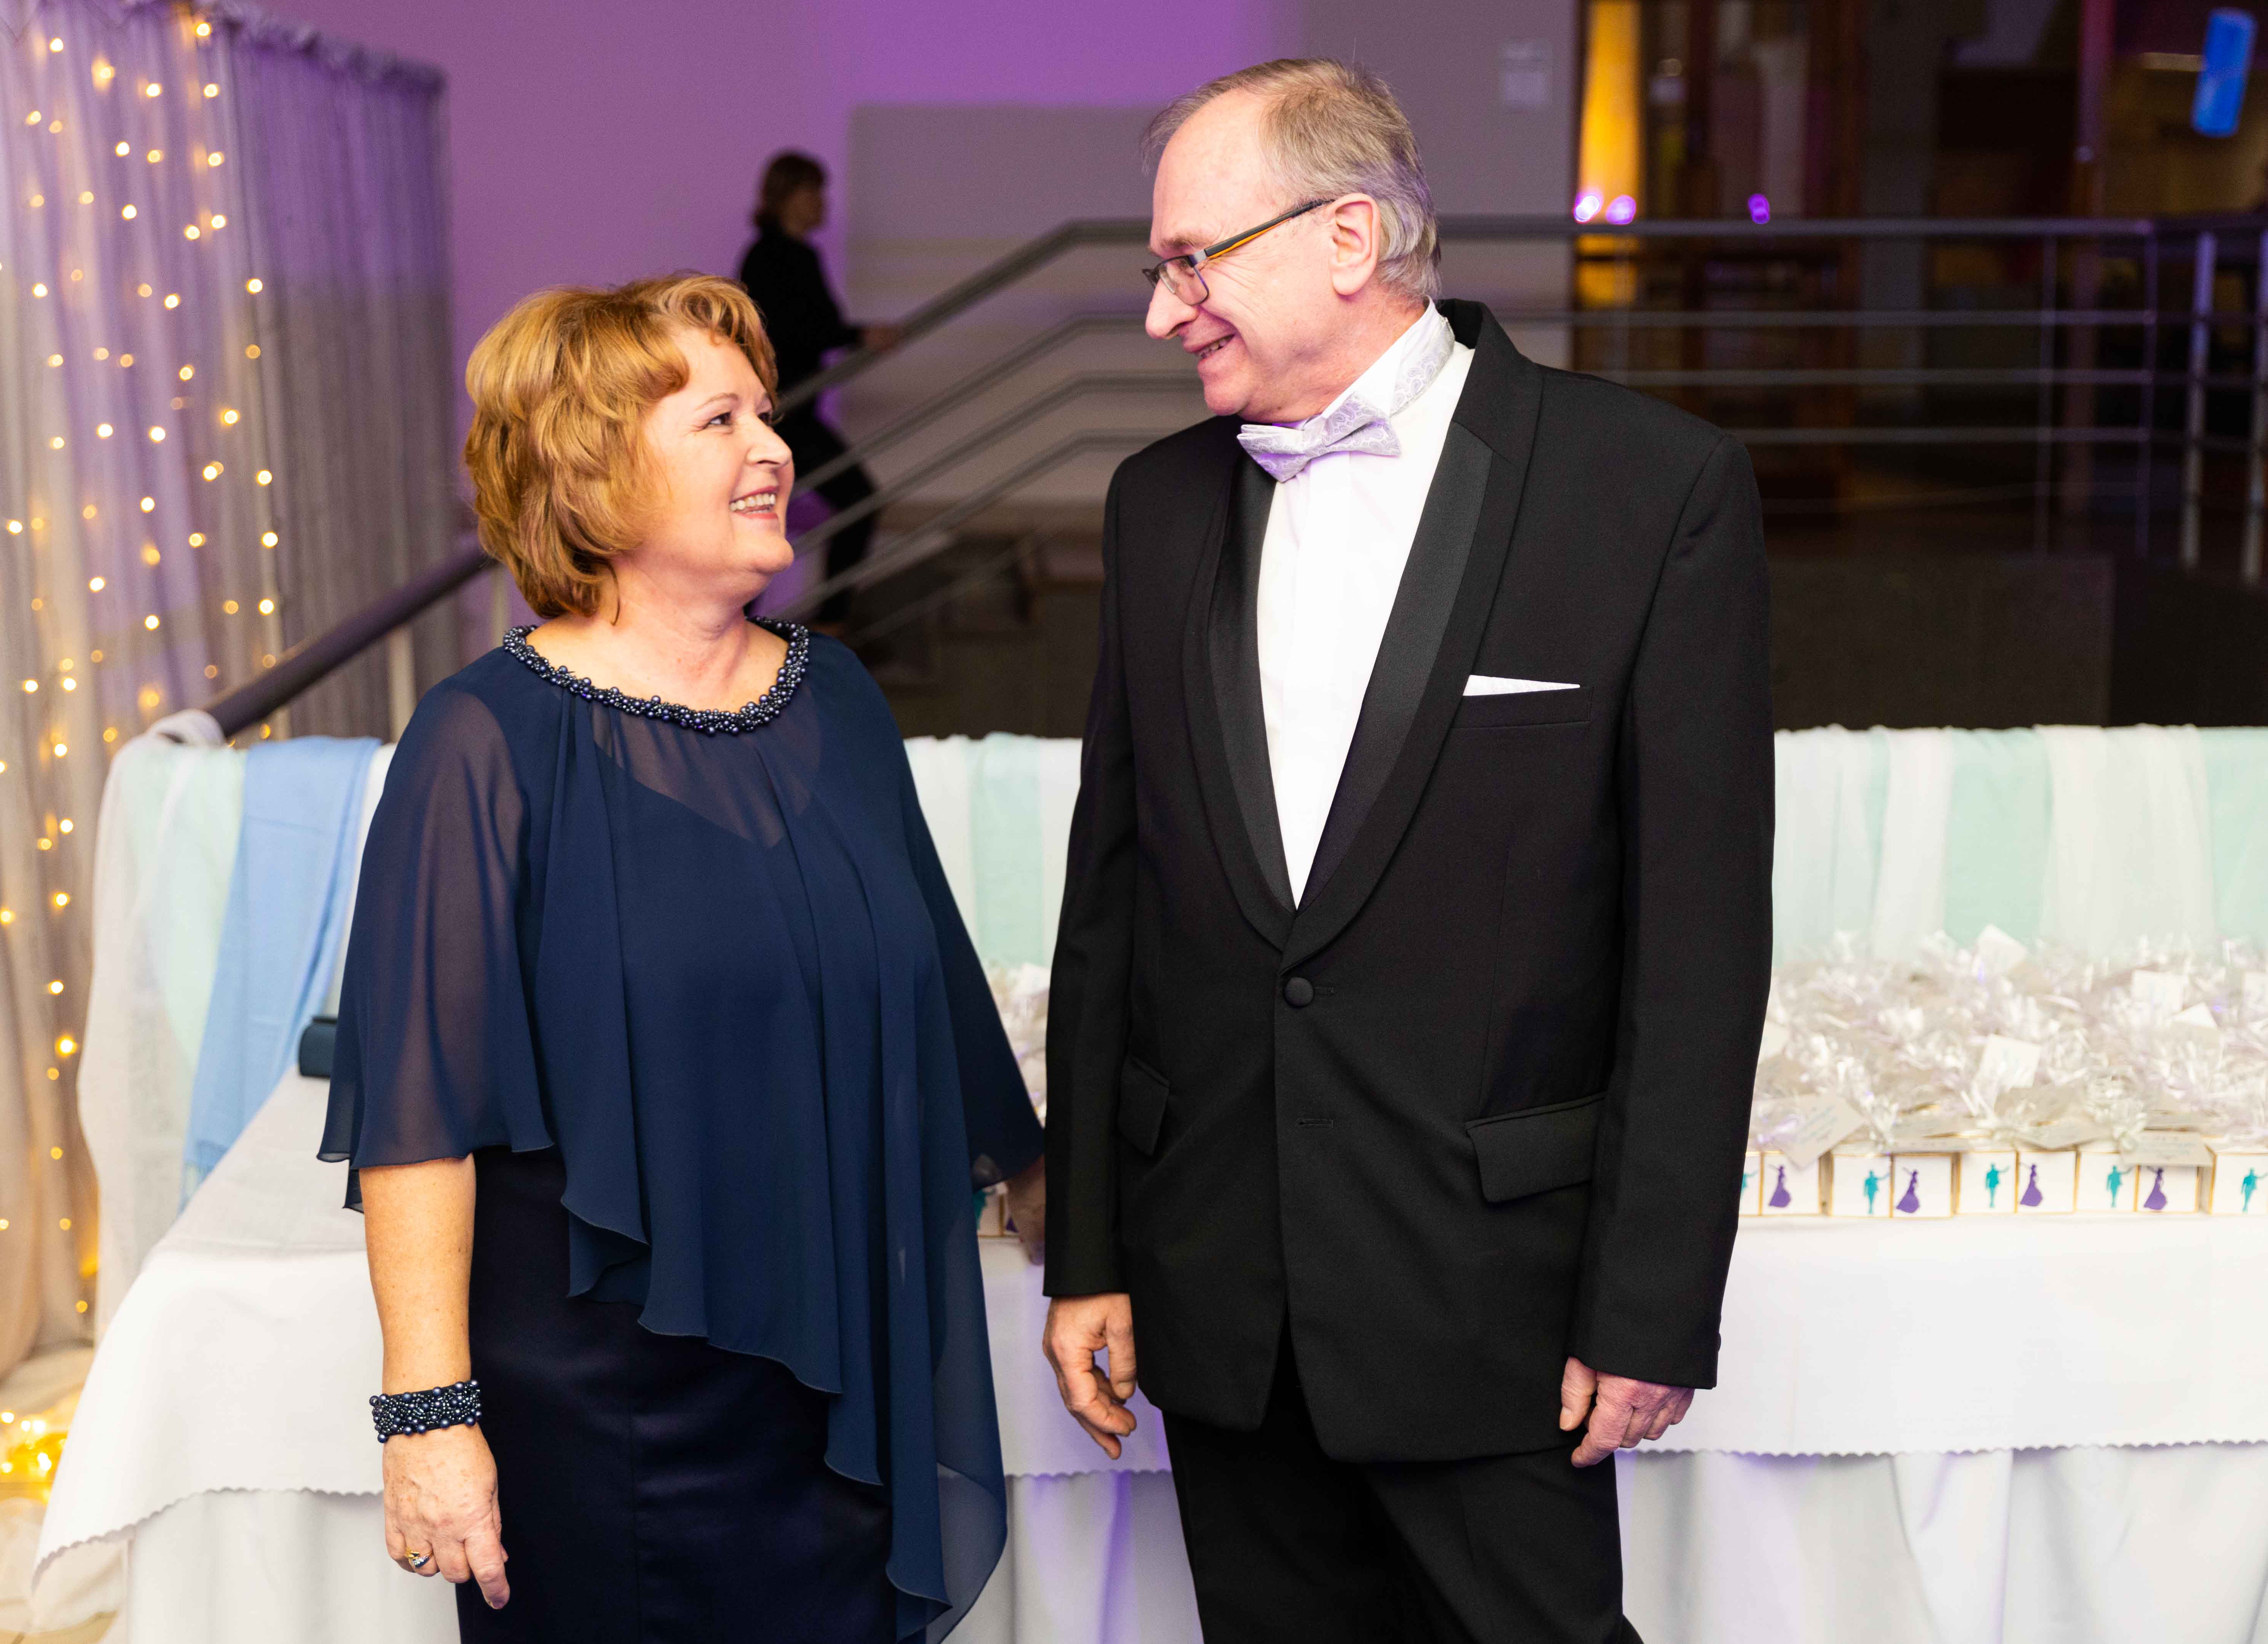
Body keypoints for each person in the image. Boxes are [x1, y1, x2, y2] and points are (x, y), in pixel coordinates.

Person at [1039, 60, 1773, 1643]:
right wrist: (1087, 1250)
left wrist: (1649, 1307)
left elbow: (1697, 948)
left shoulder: (1649, 489)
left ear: (1347, 236)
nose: (1162, 314)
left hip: (1494, 1304)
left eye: (1191, 263)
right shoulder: (1155, 505)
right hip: (1220, 1300)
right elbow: (1110, 904)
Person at [321, 273, 1047, 1642]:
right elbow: (419, 1121)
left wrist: (1079, 1237)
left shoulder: (835, 695)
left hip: (838, 1386)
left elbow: (939, 993)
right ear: (593, 473)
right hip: (604, 1418)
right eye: (720, 421)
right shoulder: (482, 743)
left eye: (765, 414)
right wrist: (428, 1418)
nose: (774, 448)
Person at [738, 150, 899, 626]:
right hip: (781, 415)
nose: (822, 202)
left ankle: (828, 621)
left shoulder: (798, 254)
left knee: (845, 504)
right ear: (787, 196)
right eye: (813, 191)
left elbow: (815, 326)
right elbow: (787, 330)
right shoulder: (769, 256)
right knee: (760, 525)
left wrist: (852, 335)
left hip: (796, 413)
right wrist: (858, 336)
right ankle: (763, 630)